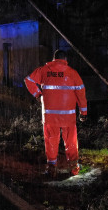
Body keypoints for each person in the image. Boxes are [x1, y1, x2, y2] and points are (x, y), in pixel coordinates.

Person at [24, 49, 87, 177]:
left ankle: (52, 167)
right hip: (68, 117)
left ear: (53, 59)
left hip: (50, 116)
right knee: (71, 141)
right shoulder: (73, 73)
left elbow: (28, 80)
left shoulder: (44, 70)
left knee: (51, 141)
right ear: (65, 60)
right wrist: (83, 112)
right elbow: (81, 93)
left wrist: (38, 94)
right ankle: (74, 167)